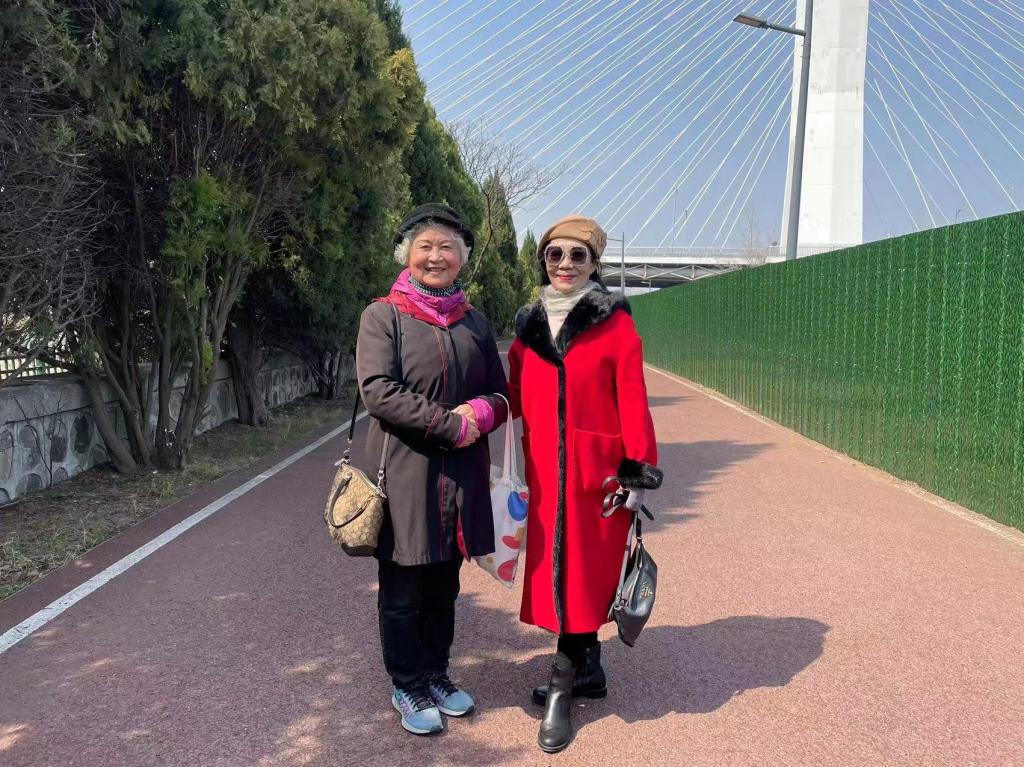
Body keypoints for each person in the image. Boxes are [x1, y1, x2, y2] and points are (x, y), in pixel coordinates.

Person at [508, 214, 662, 753]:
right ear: (543, 260)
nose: (566, 264)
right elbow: (512, 396)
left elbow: (633, 399)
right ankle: (589, 671)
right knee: (562, 575)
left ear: (595, 264)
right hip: (544, 477)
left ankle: (560, 688)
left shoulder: (614, 325)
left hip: (598, 478)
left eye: (579, 255)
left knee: (580, 577)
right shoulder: (527, 329)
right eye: (555, 254)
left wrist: (637, 471)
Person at [356, 203, 508, 736]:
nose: (436, 256)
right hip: (405, 473)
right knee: (403, 589)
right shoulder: (384, 316)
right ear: (408, 255)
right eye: (425, 246)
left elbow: (500, 393)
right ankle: (407, 683)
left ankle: (437, 674)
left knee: (445, 586)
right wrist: (450, 425)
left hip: (461, 476)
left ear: (461, 258)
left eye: (447, 247)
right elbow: (378, 391)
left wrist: (482, 414)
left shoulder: (475, 322)